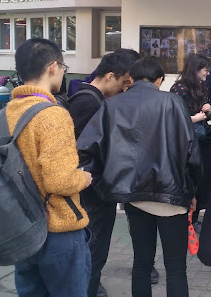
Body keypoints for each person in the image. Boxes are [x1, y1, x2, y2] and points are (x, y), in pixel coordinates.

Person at [77, 57, 202, 297]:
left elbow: (86, 149)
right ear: (160, 80)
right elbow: (192, 153)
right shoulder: (173, 102)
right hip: (172, 196)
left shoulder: (112, 105)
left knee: (141, 263)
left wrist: (105, 184)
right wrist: (193, 191)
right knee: (176, 268)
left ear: (131, 79)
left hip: (133, 197)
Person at [0, 38, 93, 296]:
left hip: (21, 230)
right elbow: (60, 181)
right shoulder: (53, 115)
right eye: (63, 67)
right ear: (52, 67)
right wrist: (83, 178)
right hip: (58, 231)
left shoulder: (3, 116)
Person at [69, 51, 138, 297]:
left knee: (94, 251)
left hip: (94, 189)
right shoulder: (89, 103)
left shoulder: (94, 100)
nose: (124, 89)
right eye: (123, 82)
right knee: (92, 251)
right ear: (110, 76)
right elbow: (81, 152)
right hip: (92, 193)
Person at [170, 54, 211, 228]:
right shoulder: (179, 88)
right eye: (205, 70)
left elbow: (204, 116)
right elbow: (173, 117)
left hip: (201, 139)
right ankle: (186, 220)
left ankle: (194, 218)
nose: (207, 73)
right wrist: (195, 118)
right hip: (186, 142)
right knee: (190, 178)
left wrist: (207, 111)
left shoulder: (202, 86)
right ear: (195, 70)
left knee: (202, 178)